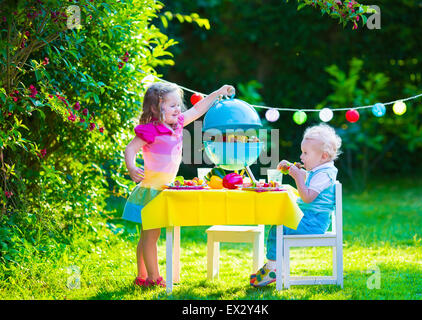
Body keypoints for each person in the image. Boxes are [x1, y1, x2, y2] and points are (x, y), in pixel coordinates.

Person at [123, 81, 235, 288]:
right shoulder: (151, 130)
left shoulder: (178, 124)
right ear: (157, 108)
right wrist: (131, 168)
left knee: (146, 236)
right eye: (172, 105)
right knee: (150, 237)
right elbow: (130, 149)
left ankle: (142, 277)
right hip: (151, 191)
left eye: (178, 104)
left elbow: (198, 108)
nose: (178, 109)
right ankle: (153, 278)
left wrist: (217, 93)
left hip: (162, 190)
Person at [250, 123, 342, 287]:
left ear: (324, 157)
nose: (301, 156)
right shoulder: (320, 171)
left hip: (313, 223)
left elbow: (307, 197)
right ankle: (276, 267)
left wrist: (298, 178)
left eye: (305, 153)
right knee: (279, 222)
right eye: (302, 152)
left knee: (278, 228)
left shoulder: (325, 174)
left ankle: (273, 268)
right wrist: (292, 168)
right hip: (309, 219)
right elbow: (309, 180)